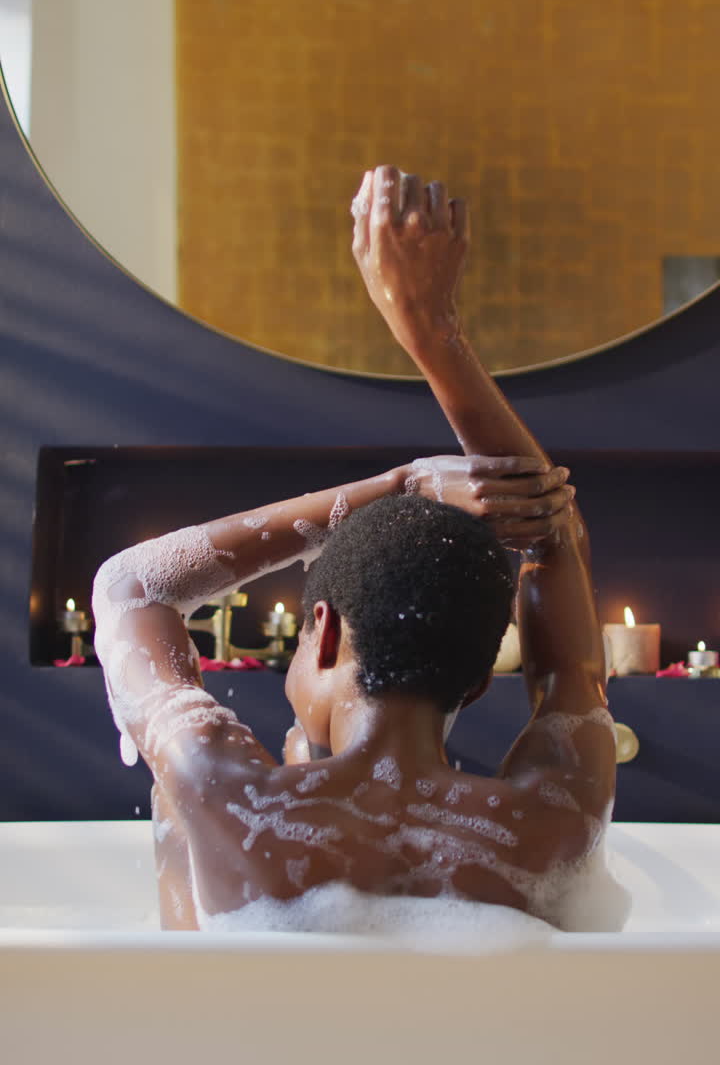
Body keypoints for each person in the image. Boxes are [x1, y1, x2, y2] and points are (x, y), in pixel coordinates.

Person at [92, 165, 628, 937]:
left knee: (169, 808)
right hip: (465, 1056)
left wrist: (402, 483)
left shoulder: (230, 801)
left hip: (234, 1051)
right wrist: (434, 334)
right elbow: (558, 550)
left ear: (328, 629)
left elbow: (131, 588)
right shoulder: (551, 828)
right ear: (479, 683)